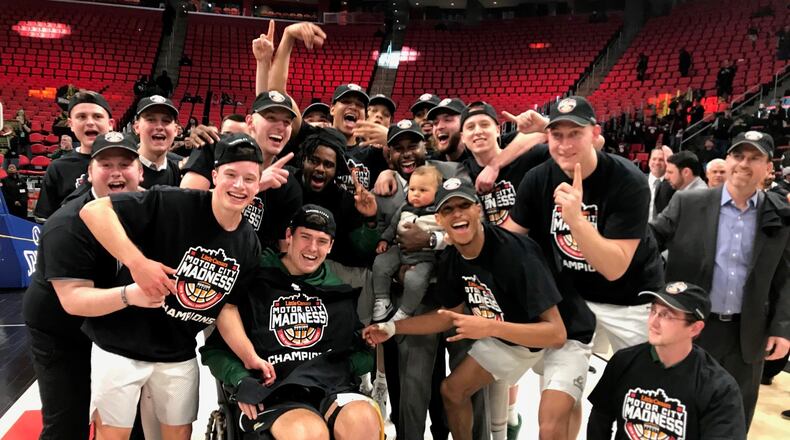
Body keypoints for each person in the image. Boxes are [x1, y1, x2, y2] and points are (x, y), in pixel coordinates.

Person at [57, 133, 264, 439]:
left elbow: (226, 308)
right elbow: (94, 211)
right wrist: (138, 264)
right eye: (231, 175)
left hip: (178, 349)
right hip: (120, 342)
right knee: (112, 434)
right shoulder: (175, 201)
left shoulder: (249, 244)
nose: (239, 186)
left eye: (249, 179)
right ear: (215, 176)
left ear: (258, 185)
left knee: (178, 433)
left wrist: (249, 356)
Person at [503, 96, 664, 438]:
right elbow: (509, 240)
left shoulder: (627, 179)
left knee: (643, 397)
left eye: (574, 133)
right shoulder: (537, 179)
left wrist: (576, 220)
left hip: (629, 299)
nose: (564, 144)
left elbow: (614, 267)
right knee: (559, 402)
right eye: (556, 135)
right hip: (571, 299)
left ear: (594, 133)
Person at [364, 178, 567, 440]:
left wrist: (490, 327)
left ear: (478, 210)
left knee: (551, 424)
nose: (457, 214)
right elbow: (447, 317)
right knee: (452, 391)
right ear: (438, 219)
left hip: (556, 338)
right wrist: (392, 327)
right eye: (448, 209)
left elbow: (556, 334)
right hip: (506, 340)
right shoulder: (453, 258)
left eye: (464, 205)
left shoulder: (516, 253)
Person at [201, 205, 383, 440]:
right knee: (308, 432)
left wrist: (365, 347)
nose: (312, 248)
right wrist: (240, 379)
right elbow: (214, 350)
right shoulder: (255, 285)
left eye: (322, 241)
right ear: (289, 236)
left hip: (333, 387)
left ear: (330, 246)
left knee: (363, 420)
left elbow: (358, 361)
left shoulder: (338, 293)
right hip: (275, 391)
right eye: (305, 237)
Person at [650, 130, 790, 428]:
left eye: (754, 158)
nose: (744, 164)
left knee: (734, 417)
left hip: (747, 335)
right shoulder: (688, 203)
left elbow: (785, 277)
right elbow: (647, 246)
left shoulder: (780, 215)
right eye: (738, 155)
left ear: (768, 168)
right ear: (727, 160)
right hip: (693, 327)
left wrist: (782, 327)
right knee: (679, 413)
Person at [22, 132, 144, 439]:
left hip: (112, 322)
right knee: (67, 419)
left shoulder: (153, 208)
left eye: (125, 164)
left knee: (130, 417)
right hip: (61, 328)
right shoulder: (66, 223)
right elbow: (74, 300)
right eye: (106, 164)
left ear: (140, 171)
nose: (116, 172)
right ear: (89, 172)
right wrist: (133, 294)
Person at [587, 282, 746, 439]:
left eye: (666, 315)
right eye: (653, 310)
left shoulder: (719, 387)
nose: (653, 322)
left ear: (695, 328)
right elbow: (600, 419)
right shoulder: (623, 361)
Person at [373, 165, 443, 322]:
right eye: (412, 189)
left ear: (438, 192)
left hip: (425, 257)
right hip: (399, 249)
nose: (416, 194)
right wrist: (384, 239)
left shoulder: (441, 211)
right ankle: (382, 299)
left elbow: (447, 235)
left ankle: (406, 311)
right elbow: (393, 226)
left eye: (423, 190)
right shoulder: (404, 207)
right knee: (381, 262)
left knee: (415, 280)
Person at [34, 91, 114, 222]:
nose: (90, 122)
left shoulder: (129, 165)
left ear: (110, 124)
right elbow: (46, 220)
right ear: (70, 124)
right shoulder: (58, 168)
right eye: (81, 117)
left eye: (97, 116)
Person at [133, 95, 182, 187]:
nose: (159, 127)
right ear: (137, 127)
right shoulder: (123, 170)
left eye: (166, 121)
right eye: (151, 120)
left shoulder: (183, 172)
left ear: (176, 130)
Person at [647, 148, 667, 220]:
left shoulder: (674, 185)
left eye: (661, 160)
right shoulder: (639, 182)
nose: (657, 162)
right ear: (649, 161)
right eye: (654, 159)